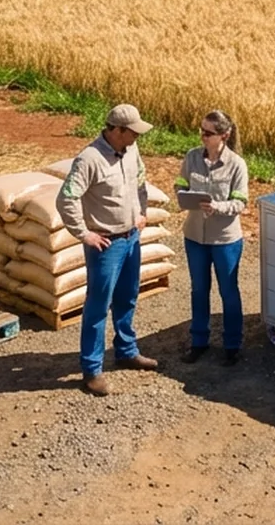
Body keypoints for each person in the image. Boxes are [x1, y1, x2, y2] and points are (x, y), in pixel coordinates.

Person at [57, 103, 159, 395]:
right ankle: (92, 370)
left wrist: (142, 211)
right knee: (98, 306)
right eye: (133, 132)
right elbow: (67, 198)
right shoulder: (89, 159)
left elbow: (140, 180)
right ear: (117, 130)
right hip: (107, 244)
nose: (137, 137)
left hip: (131, 238)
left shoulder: (131, 151)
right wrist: (83, 233)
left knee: (128, 297)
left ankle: (126, 351)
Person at [176, 109, 249, 365]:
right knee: (199, 289)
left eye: (208, 133)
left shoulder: (237, 165)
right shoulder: (191, 157)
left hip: (225, 239)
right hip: (195, 236)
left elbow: (240, 202)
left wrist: (217, 206)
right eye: (201, 131)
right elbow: (180, 184)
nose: (203, 137)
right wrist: (183, 195)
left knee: (228, 291)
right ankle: (199, 341)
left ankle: (232, 345)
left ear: (224, 136)